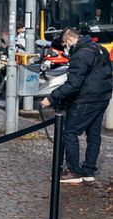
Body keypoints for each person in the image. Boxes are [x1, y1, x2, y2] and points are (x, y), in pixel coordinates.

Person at [41, 27, 113, 183]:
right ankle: (88, 171)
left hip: (86, 99)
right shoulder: (98, 48)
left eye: (64, 43)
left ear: (69, 39)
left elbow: (73, 84)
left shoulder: (80, 55)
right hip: (102, 97)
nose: (65, 47)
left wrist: (51, 98)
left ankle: (74, 172)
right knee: (94, 135)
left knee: (70, 133)